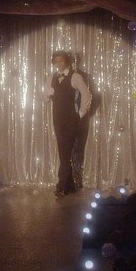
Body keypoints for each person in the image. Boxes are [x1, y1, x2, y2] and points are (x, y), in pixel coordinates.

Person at [47, 50, 92, 197]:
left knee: (64, 153)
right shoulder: (52, 77)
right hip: (57, 119)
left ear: (67, 61)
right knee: (64, 152)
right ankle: (70, 186)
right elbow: (46, 97)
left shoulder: (75, 76)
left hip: (71, 120)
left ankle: (61, 186)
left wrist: (80, 114)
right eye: (56, 61)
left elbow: (87, 95)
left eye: (61, 61)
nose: (59, 64)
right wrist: (47, 94)